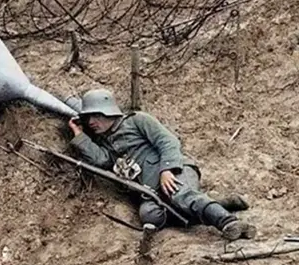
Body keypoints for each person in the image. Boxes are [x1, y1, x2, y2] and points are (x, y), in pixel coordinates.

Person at [66, 88, 256, 241]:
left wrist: (167, 169)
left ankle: (228, 222)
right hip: (151, 191)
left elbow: (167, 141)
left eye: (96, 115)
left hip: (175, 172)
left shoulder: (137, 120)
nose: (91, 122)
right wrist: (79, 134)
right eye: (88, 117)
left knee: (180, 195)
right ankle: (219, 204)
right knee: (151, 216)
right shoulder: (103, 140)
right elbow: (101, 160)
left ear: (109, 112)